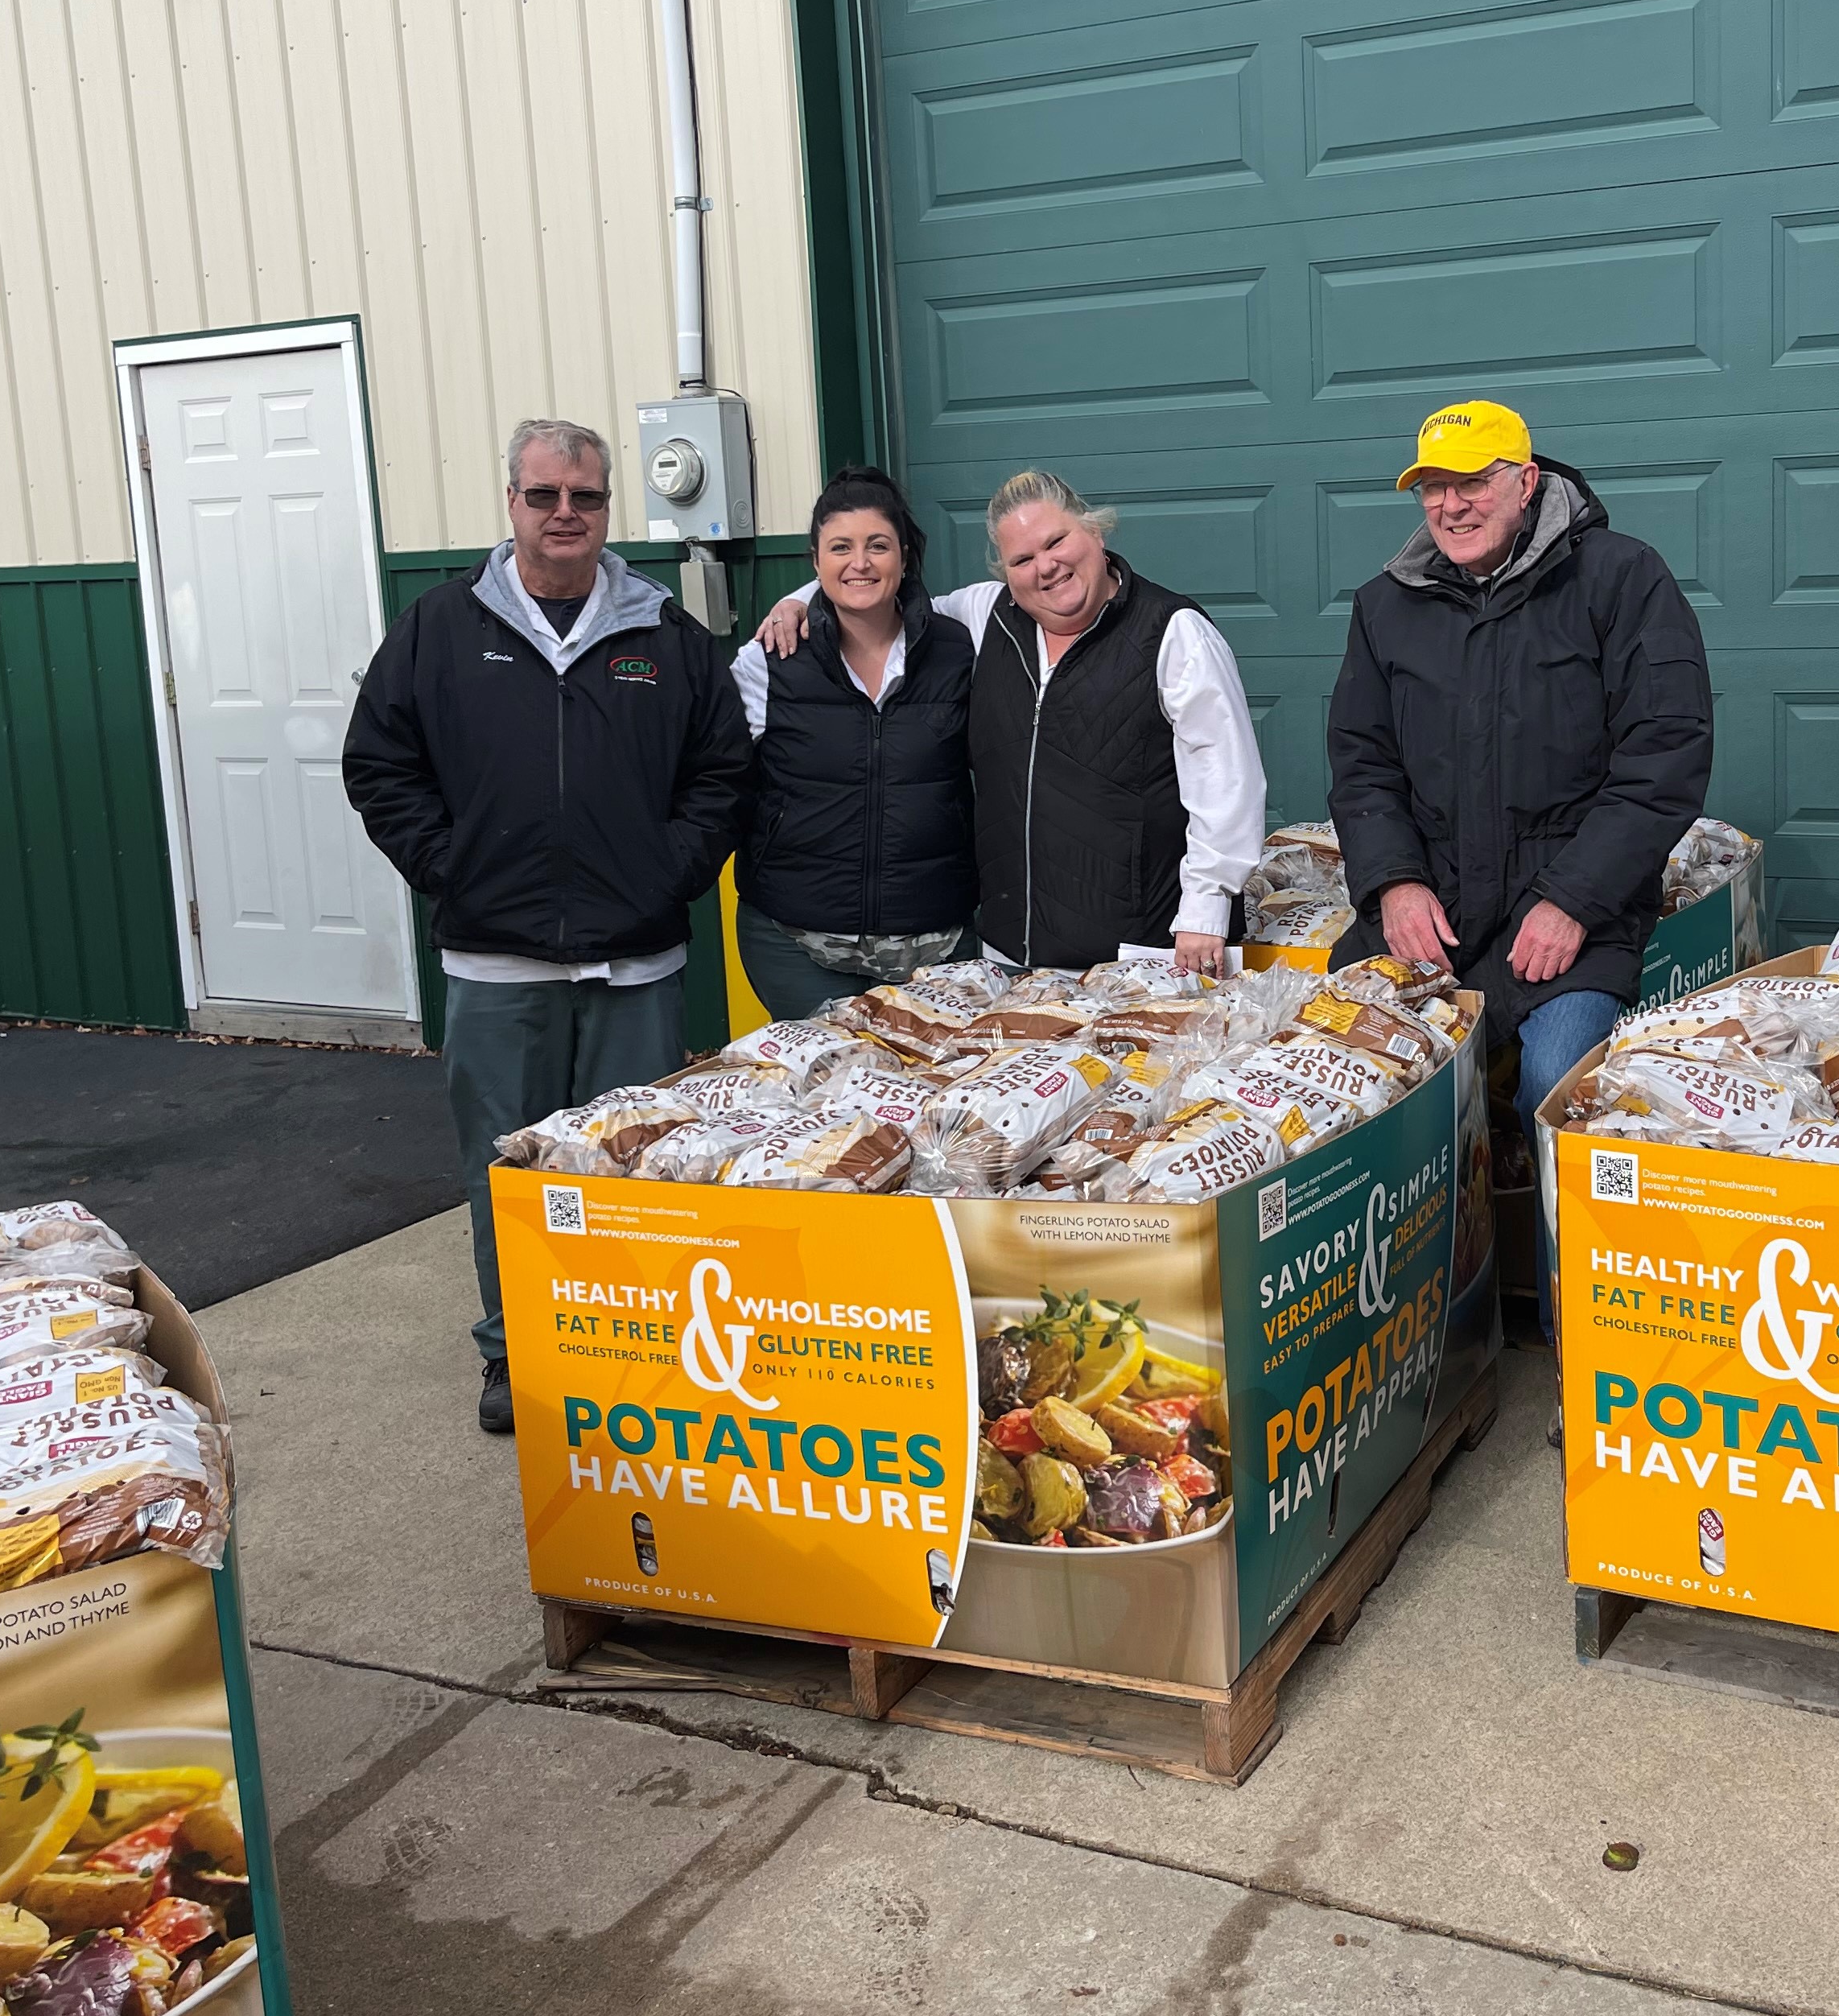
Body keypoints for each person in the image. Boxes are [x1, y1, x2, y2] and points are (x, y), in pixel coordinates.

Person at [344, 417, 753, 1433]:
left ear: (609, 506)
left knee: (635, 1165)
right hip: (496, 963)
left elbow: (722, 776)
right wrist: (453, 868)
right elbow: (379, 766)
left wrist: (667, 873)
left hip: (637, 962)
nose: (565, 514)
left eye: (586, 497)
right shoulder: (439, 631)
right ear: (512, 502)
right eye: (544, 496)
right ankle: (516, 1350)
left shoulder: (669, 638)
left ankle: (630, 1346)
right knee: (510, 1174)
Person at [1326, 397, 1712, 1150]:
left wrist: (1571, 900)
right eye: (1432, 487)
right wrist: (1394, 885)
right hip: (1429, 910)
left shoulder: (1620, 578)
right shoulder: (1384, 605)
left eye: (1472, 482)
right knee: (1341, 1081)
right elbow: (1362, 762)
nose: (1450, 504)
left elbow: (1665, 751)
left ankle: (1547, 1267)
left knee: (1554, 1090)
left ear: (1527, 482)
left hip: (1571, 913)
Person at [754, 471, 1264, 975]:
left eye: (1056, 541)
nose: (1047, 567)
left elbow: (1224, 776)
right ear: (1005, 574)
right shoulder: (982, 617)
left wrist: (1207, 906)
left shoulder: (1172, 631)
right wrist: (799, 600)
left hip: (1144, 955)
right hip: (1011, 959)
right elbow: (876, 597)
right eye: (1022, 559)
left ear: (1096, 532)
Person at [728, 467, 977, 1021]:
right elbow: (712, 775)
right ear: (815, 562)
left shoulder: (961, 645)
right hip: (795, 942)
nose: (860, 562)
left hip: (940, 945)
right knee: (826, 1101)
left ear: (906, 556)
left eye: (878, 546)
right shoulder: (769, 663)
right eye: (840, 547)